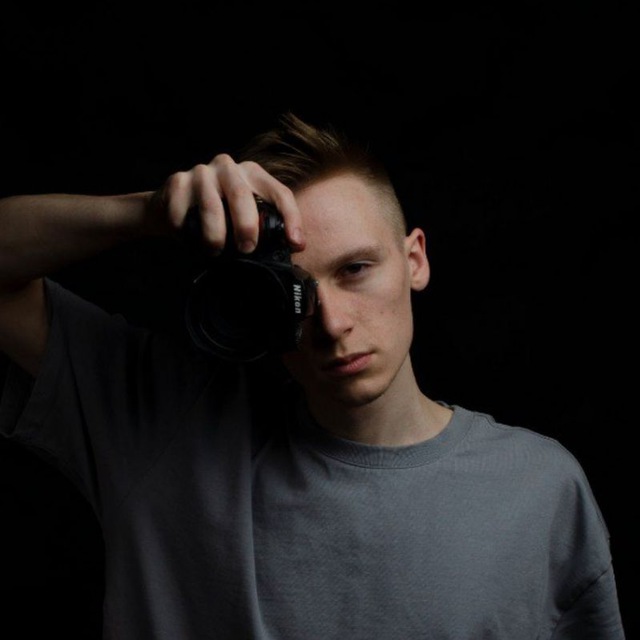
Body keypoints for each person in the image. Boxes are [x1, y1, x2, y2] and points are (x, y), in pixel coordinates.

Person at [0, 112, 626, 639]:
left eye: (355, 269)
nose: (330, 323)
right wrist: (147, 212)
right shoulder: (165, 429)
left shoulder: (540, 490)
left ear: (414, 259)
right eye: (292, 291)